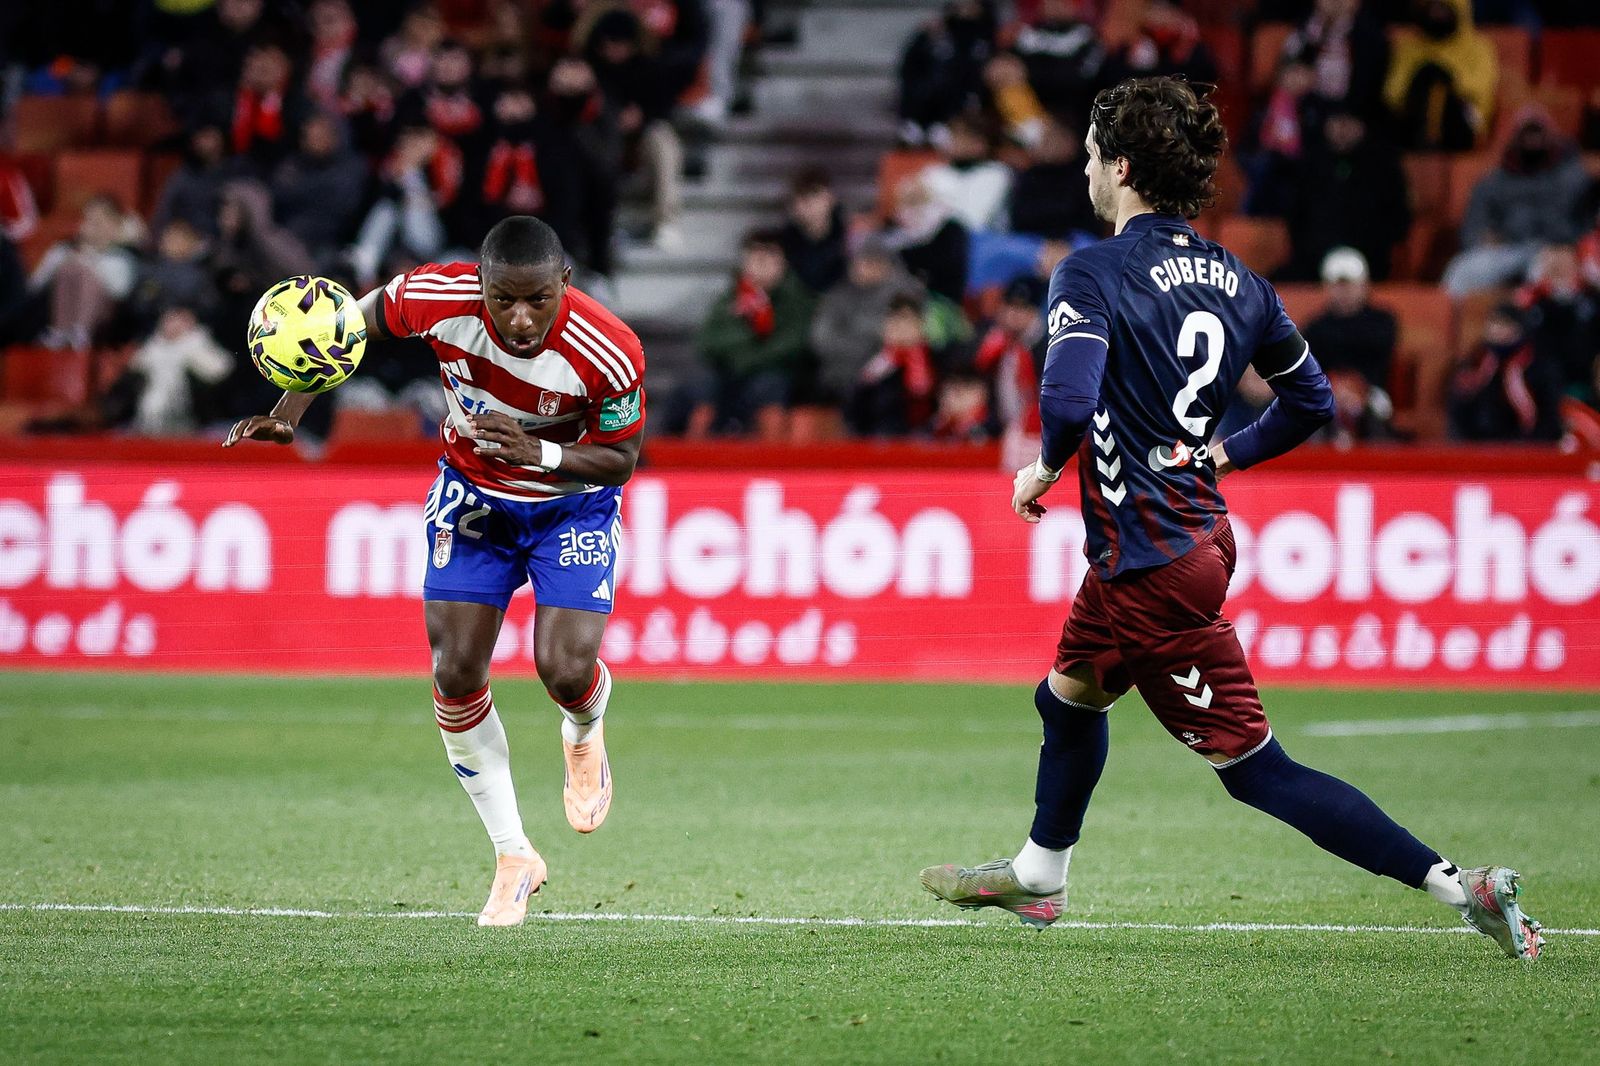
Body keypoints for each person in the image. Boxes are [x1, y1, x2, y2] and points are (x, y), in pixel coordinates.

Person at [918, 77, 1543, 961]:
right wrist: (1223, 454)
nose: (1088, 170)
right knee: (1068, 695)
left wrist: (1043, 467)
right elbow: (1310, 398)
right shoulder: (1239, 281)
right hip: (1191, 532)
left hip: (1152, 558)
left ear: (1122, 168)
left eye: (1095, 156)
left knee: (1258, 771)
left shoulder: (1090, 271)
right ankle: (1041, 870)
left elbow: (1064, 396)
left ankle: (1462, 888)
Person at [223, 216, 645, 928]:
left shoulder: (610, 348)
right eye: (503, 299)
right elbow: (339, 330)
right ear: (478, 285)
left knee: (564, 669)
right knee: (454, 670)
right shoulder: (432, 296)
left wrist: (534, 455)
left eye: (537, 300)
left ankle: (584, 730)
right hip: (472, 497)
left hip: (569, 507)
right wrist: (288, 409)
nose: (518, 318)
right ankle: (515, 855)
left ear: (563, 285)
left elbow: (622, 458)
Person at [1301, 247, 1397, 440]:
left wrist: (1355, 387)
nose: (1344, 292)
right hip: (1327, 391)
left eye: (1350, 285)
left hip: (1371, 392)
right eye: (1338, 285)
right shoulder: (1315, 327)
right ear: (1326, 287)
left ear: (1364, 285)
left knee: (1376, 411)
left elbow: (1380, 358)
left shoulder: (1383, 321)